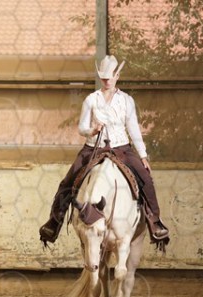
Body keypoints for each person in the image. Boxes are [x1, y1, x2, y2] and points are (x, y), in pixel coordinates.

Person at [39, 55, 169, 246]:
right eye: (104, 78)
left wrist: (142, 155)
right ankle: (54, 222)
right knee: (67, 182)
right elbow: (81, 128)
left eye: (110, 77)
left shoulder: (127, 100)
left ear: (117, 76)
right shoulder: (91, 100)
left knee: (146, 179)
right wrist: (92, 130)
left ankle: (155, 223)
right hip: (93, 147)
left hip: (122, 148)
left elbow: (133, 129)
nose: (107, 81)